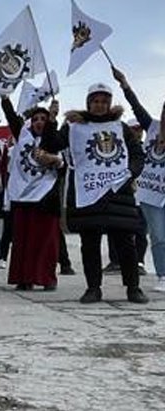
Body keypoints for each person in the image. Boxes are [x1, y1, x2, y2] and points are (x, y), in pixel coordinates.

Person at [42, 80, 147, 303]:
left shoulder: (121, 128)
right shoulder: (73, 127)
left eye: (104, 101)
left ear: (109, 104)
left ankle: (133, 288)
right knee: (90, 244)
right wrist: (51, 120)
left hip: (118, 193)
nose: (100, 105)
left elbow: (137, 154)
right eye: (96, 101)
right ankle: (93, 288)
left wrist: (130, 173)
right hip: (87, 193)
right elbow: (51, 145)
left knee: (125, 244)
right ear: (88, 103)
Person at [0, 94, 62, 291]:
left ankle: (46, 278)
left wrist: (54, 159)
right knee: (22, 240)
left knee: (46, 241)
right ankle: (24, 278)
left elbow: (64, 166)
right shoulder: (23, 137)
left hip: (46, 198)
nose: (39, 122)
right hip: (23, 197)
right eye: (35, 119)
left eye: (43, 119)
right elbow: (12, 118)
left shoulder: (56, 140)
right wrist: (4, 97)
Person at [113, 67, 165, 293]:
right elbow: (135, 106)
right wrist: (124, 83)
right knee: (158, 235)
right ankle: (163, 275)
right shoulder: (152, 127)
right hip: (151, 193)